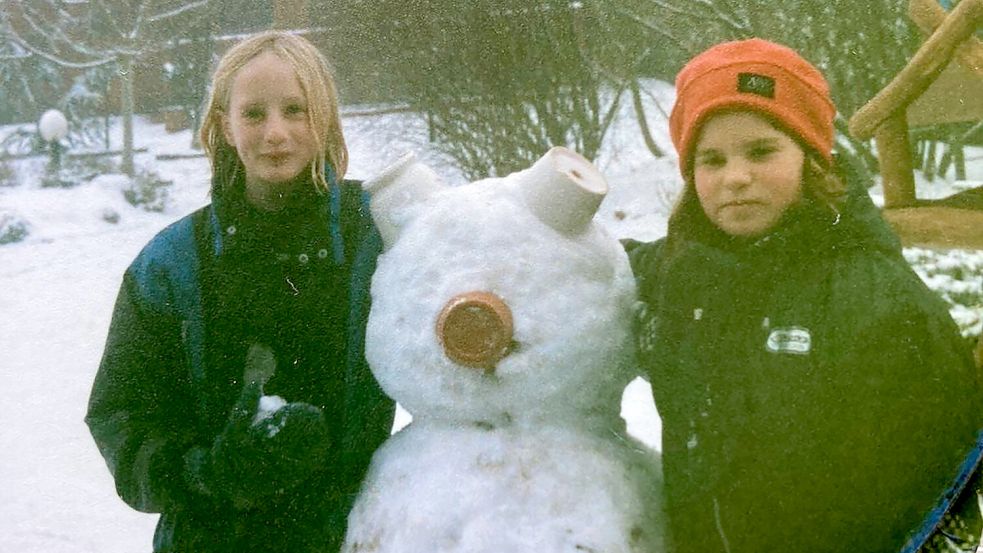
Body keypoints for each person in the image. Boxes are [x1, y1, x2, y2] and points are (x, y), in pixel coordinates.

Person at [626, 38, 983, 552]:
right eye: (711, 159)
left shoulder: (881, 303)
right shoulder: (683, 274)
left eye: (760, 150)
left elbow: (948, 504)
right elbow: (583, 273)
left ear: (811, 159)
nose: (735, 177)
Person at [85, 31, 395, 553]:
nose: (276, 132)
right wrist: (209, 472)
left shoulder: (378, 237)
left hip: (357, 535)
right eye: (253, 114)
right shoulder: (171, 262)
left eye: (295, 110)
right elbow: (122, 418)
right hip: (211, 537)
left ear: (324, 119)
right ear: (223, 126)